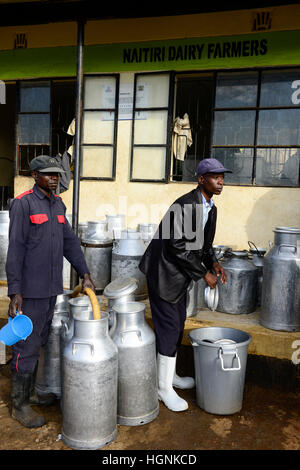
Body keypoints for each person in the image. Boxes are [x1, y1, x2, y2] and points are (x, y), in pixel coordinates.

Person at [5, 155, 96, 428]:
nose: (55, 178)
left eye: (57, 174)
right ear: (35, 175)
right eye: (49, 174)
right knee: (26, 345)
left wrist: (86, 272)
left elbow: (70, 243)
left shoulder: (58, 205)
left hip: (51, 290)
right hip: (29, 292)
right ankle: (19, 406)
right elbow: (16, 249)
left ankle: (31, 393)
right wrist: (15, 292)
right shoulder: (23, 204)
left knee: (40, 341)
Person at [139, 157, 231, 412]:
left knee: (177, 324)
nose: (221, 181)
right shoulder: (183, 205)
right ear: (201, 179)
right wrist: (203, 274)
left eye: (222, 176)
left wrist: (214, 263)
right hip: (163, 273)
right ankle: (162, 388)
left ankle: (170, 377)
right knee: (169, 327)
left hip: (179, 275)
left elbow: (204, 245)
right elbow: (177, 246)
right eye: (215, 176)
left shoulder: (210, 207)